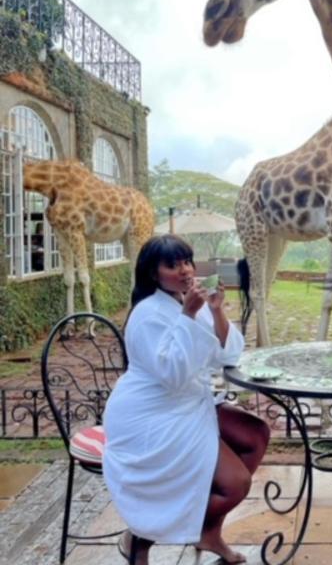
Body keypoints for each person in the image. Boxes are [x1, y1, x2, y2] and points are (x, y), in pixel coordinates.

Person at [103, 234, 270, 564]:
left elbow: (230, 354)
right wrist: (188, 316)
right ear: (154, 274)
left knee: (255, 435)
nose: (184, 270)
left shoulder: (190, 301)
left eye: (187, 262)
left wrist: (216, 311)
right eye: (172, 265)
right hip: (153, 413)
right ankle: (141, 536)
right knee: (235, 484)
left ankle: (208, 533)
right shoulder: (147, 314)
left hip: (190, 401)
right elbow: (173, 374)